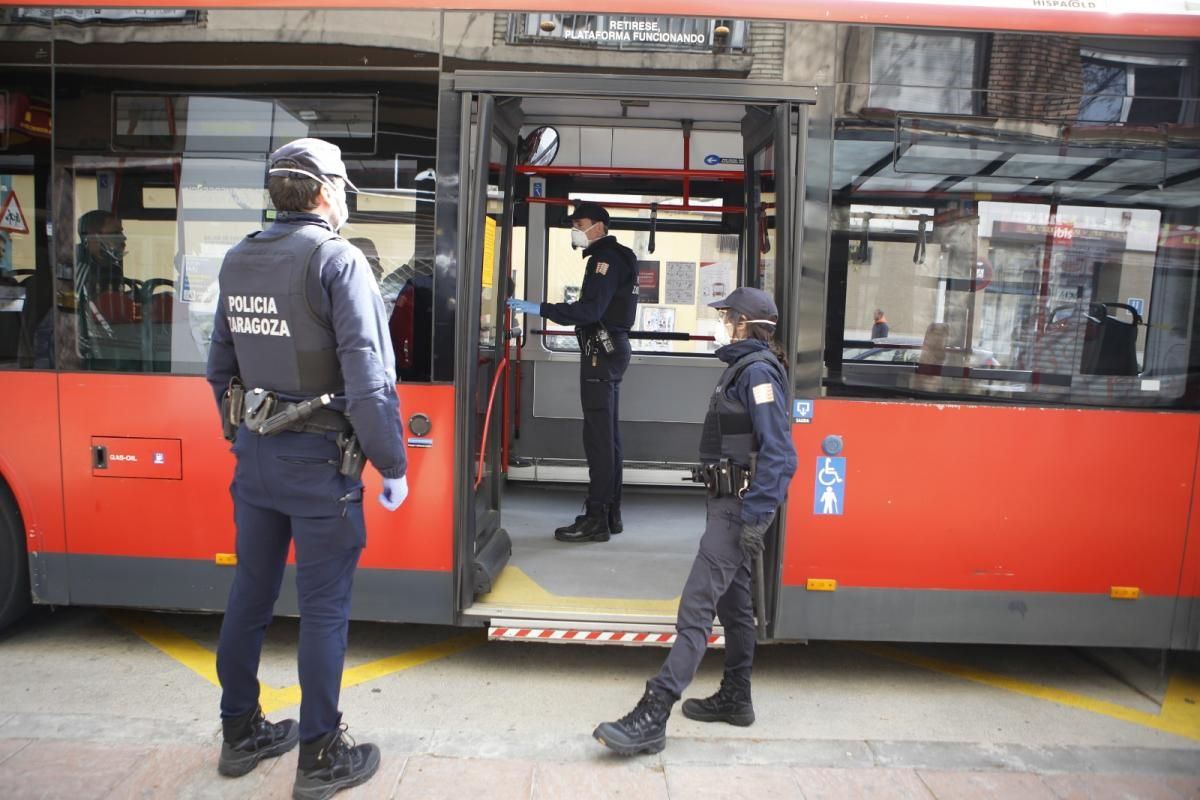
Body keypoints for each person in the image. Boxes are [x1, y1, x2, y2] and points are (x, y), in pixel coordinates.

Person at [205, 137, 409, 800]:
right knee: (325, 609)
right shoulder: (337, 261)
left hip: (256, 461)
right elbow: (369, 380)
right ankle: (320, 757)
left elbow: (220, 370)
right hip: (322, 466)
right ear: (327, 192)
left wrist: (247, 437)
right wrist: (391, 463)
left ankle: (240, 733)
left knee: (250, 596)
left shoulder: (240, 257)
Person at [592, 286, 797, 755]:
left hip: (737, 509)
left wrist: (756, 516)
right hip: (730, 503)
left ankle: (653, 713)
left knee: (696, 609)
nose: (723, 325)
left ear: (745, 324)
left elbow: (781, 453)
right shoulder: (744, 369)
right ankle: (736, 697)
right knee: (734, 607)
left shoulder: (758, 373)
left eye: (728, 318)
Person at [507, 201, 638, 543]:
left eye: (579, 224)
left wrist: (542, 309)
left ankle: (596, 518)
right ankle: (610, 514)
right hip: (611, 349)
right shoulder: (622, 256)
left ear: (598, 226)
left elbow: (590, 310)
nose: (575, 231)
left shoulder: (604, 260)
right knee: (608, 436)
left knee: (598, 438)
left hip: (601, 352)